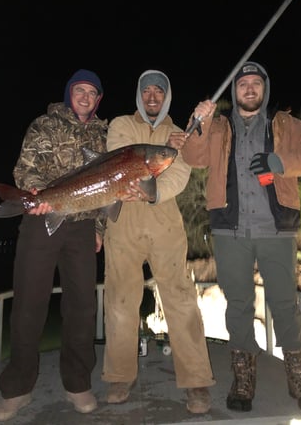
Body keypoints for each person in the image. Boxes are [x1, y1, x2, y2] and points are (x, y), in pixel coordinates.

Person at [181, 61, 301, 413]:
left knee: (284, 305)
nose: (249, 89)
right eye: (243, 84)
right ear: (233, 92)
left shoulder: (285, 124)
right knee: (239, 306)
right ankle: (243, 380)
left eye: (255, 84)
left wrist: (280, 162)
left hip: (277, 230)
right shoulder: (218, 126)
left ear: (264, 89)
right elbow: (191, 155)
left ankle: (299, 379)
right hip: (229, 230)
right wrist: (197, 121)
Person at [0, 69, 108, 422]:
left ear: (98, 100)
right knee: (28, 305)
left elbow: (110, 185)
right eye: (80, 90)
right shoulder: (44, 124)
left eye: (92, 92)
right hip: (41, 222)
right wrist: (37, 196)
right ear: (69, 93)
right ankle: (17, 389)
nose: (85, 96)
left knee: (82, 308)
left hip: (82, 229)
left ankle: (77, 383)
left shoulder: (105, 135)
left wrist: (100, 228)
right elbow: (25, 168)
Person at [101, 69, 216, 414]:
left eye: (159, 91)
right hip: (123, 226)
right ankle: (120, 375)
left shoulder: (182, 133)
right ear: (140, 95)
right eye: (147, 90)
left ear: (167, 97)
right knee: (121, 302)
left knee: (181, 301)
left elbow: (181, 175)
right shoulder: (121, 124)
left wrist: (192, 135)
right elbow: (125, 160)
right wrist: (167, 151)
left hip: (165, 225)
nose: (153, 96)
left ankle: (196, 381)